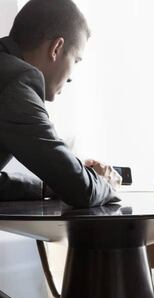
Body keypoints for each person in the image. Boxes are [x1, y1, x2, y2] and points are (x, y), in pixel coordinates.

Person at [0, 0, 121, 207]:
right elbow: (81, 190)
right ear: (56, 48)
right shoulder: (17, 79)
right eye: (76, 60)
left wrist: (49, 186)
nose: (72, 77)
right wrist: (104, 181)